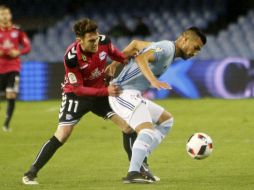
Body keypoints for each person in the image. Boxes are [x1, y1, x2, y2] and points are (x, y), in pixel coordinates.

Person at [22, 18, 154, 185]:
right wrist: (106, 90)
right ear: (80, 40)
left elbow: (116, 55)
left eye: (96, 38)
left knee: (128, 127)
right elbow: (78, 89)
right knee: (63, 134)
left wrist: (123, 60)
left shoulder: (104, 41)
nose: (96, 43)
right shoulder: (71, 57)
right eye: (91, 41)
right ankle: (31, 173)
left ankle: (138, 171)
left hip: (100, 95)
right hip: (76, 97)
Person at [108, 26, 206, 183]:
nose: (195, 53)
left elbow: (134, 44)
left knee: (166, 120)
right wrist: (153, 80)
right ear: (184, 39)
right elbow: (141, 58)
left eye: (199, 50)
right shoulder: (166, 48)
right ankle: (133, 173)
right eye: (196, 47)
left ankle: (141, 164)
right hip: (122, 93)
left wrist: (114, 64)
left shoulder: (165, 49)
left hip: (132, 94)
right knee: (147, 131)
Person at [0, 5, 31, 131]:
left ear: (10, 15)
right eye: (2, 14)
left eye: (7, 14)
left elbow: (27, 47)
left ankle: (6, 124)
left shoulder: (18, 31)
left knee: (11, 94)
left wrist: (18, 53)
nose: (5, 16)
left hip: (13, 68)